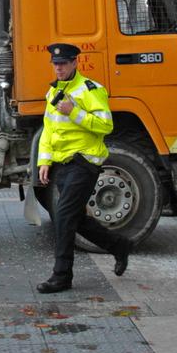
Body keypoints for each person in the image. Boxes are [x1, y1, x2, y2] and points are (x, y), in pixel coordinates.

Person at [35, 42, 131, 294]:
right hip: (62, 166)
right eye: (55, 64)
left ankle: (61, 275)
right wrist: (43, 161)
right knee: (76, 219)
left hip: (85, 162)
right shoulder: (52, 92)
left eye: (63, 63)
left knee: (64, 216)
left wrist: (74, 111)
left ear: (76, 62)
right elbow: (49, 129)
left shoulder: (91, 89)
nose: (58, 68)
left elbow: (106, 125)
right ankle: (119, 246)